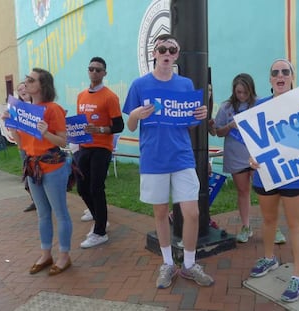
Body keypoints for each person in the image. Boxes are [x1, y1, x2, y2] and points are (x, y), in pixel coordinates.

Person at [123, 34, 214, 289]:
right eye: (162, 49)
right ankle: (167, 263)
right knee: (161, 212)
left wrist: (201, 114)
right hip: (153, 158)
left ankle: (189, 264)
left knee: (192, 212)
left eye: (172, 50)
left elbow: (191, 121)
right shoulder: (140, 85)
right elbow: (130, 125)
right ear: (154, 52)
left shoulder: (185, 84)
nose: (166, 53)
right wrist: (136, 114)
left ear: (176, 55)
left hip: (182, 156)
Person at [248, 59, 299, 302]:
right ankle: (269, 258)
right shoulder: (259, 107)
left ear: (292, 76)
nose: (280, 75)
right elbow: (251, 140)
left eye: (285, 71)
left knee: (296, 224)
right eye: (275, 72)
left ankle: (297, 276)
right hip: (268, 172)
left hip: (296, 173)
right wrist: (251, 158)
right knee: (268, 219)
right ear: (270, 79)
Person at [7, 68, 73, 276]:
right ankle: (46, 254)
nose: (25, 83)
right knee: (43, 214)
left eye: (30, 80)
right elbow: (22, 145)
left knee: (60, 213)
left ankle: (64, 256)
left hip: (53, 167)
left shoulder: (53, 109)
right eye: (26, 80)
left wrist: (46, 133)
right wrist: (13, 130)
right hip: (33, 167)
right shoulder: (24, 110)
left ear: (42, 85)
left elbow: (63, 141)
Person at [75, 56, 124, 248]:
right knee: (81, 188)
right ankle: (100, 218)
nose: (94, 72)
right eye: (91, 69)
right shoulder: (81, 96)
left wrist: (100, 130)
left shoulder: (110, 97)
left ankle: (100, 231)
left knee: (96, 187)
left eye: (98, 70)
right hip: (83, 147)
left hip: (101, 148)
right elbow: (80, 123)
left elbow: (118, 125)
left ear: (104, 73)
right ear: (87, 71)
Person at [210, 73, 257, 243]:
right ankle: (246, 227)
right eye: (239, 92)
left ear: (251, 90)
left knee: (267, 194)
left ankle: (273, 229)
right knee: (243, 191)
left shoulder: (258, 104)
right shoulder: (226, 107)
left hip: (257, 156)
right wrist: (230, 125)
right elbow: (218, 132)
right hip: (236, 157)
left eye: (245, 92)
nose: (242, 96)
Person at [16, 82, 37, 212]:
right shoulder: (17, 108)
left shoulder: (38, 105)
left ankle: (45, 200)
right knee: (28, 174)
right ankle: (35, 200)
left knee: (39, 174)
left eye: (24, 87)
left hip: (37, 147)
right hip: (24, 145)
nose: (22, 90)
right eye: (19, 90)